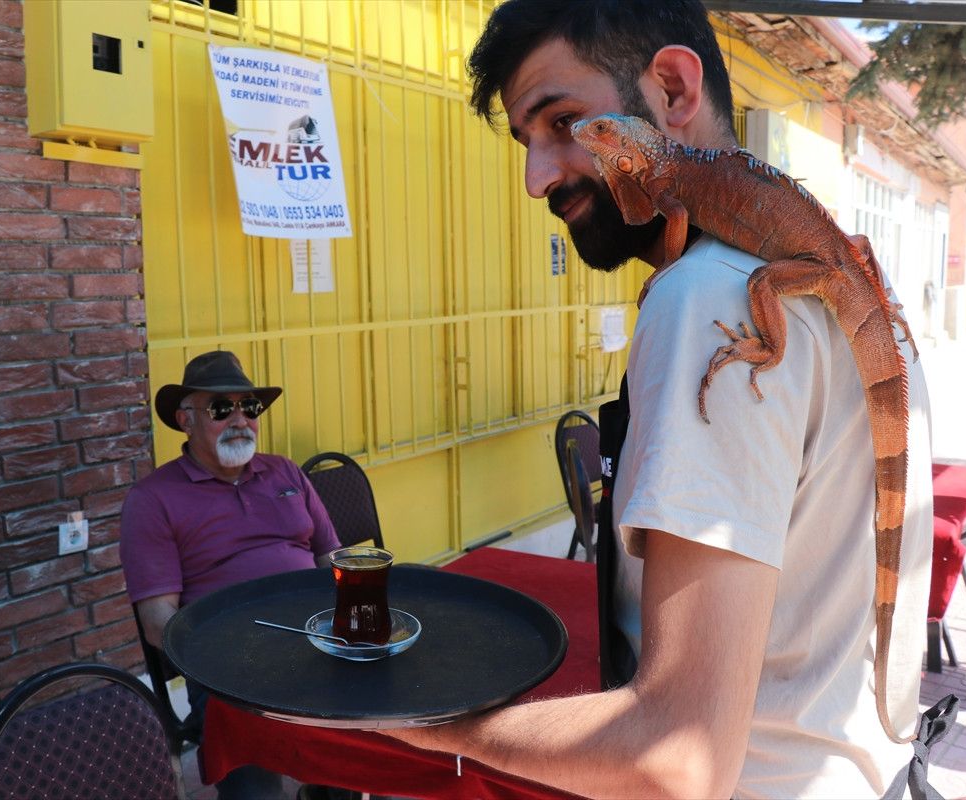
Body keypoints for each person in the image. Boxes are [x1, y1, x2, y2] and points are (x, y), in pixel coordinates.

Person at [382, 2, 934, 798]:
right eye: (528, 143)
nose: (537, 176)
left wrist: (432, 723)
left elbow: (678, 760)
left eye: (570, 121)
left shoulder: (701, 300)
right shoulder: (875, 308)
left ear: (673, 90)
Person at [120, 350, 343, 800]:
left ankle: (331, 788)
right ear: (186, 420)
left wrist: (356, 616)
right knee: (254, 787)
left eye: (249, 407)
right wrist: (228, 660)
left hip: (321, 645)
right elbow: (158, 623)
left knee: (381, 732)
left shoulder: (285, 472)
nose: (240, 420)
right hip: (232, 669)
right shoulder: (154, 499)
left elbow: (333, 559)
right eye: (222, 409)